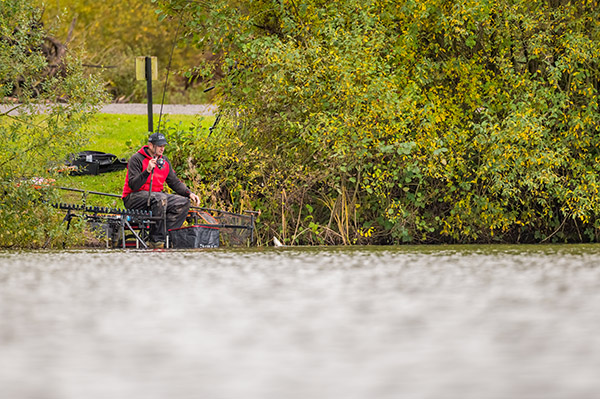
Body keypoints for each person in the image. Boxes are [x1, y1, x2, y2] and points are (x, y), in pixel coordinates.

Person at [122, 132, 200, 248]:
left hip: (156, 198)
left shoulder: (164, 161)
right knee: (160, 198)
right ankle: (156, 241)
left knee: (183, 202)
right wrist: (147, 171)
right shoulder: (136, 159)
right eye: (159, 146)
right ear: (151, 145)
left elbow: (174, 182)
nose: (162, 148)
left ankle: (167, 235)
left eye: (164, 146)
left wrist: (189, 193)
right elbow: (134, 185)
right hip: (133, 198)